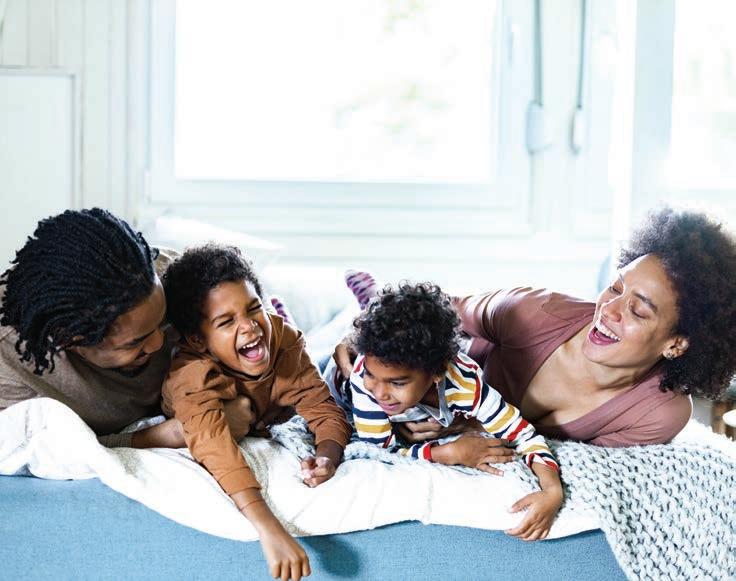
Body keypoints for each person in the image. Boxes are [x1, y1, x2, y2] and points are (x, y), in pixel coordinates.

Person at [335, 207, 736, 448]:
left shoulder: (659, 414)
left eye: (639, 310)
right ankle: (366, 296)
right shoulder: (532, 312)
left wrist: (469, 429)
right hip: (422, 362)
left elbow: (582, 463)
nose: (610, 310)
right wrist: (360, 338)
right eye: (615, 287)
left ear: (676, 344)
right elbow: (434, 309)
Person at [161, 244, 352, 581]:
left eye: (253, 308)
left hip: (275, 388)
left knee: (345, 367)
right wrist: (269, 529)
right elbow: (216, 449)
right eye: (226, 321)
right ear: (199, 340)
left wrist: (327, 457)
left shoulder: (281, 338)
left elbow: (323, 408)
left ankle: (343, 311)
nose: (249, 326)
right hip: (200, 412)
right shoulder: (192, 375)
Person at [0, 208, 253, 448]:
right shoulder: (8, 360)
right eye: (136, 342)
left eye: (162, 320)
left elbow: (261, 329)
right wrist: (179, 433)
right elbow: (42, 451)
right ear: (68, 339)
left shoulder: (174, 277)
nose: (159, 343)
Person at [345, 282, 562, 541]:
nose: (380, 392)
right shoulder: (364, 383)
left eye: (398, 383)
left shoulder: (465, 384)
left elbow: (523, 434)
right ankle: (366, 297)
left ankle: (367, 295)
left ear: (437, 373)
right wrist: (447, 453)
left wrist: (552, 490)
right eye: (372, 375)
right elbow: (377, 452)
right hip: (342, 387)